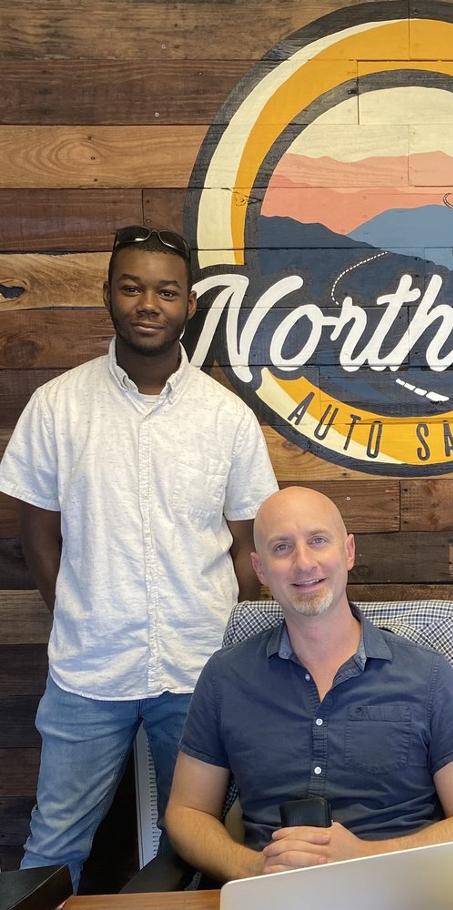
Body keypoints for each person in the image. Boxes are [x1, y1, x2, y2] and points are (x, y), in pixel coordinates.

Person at [0, 225, 278, 890]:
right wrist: (78, 612)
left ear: (189, 305)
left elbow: (249, 545)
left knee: (209, 845)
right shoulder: (57, 407)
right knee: (55, 842)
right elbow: (37, 537)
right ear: (108, 295)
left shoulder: (226, 418)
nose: (148, 304)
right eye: (131, 287)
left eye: (166, 291)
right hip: (88, 671)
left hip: (198, 670)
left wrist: (223, 632)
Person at [165, 486, 453, 882]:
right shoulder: (225, 677)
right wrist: (252, 867)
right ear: (260, 569)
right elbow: (187, 812)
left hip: (399, 889)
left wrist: (368, 857)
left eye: (318, 540)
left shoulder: (427, 674)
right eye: (282, 548)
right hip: (272, 895)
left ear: (349, 551)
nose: (303, 563)